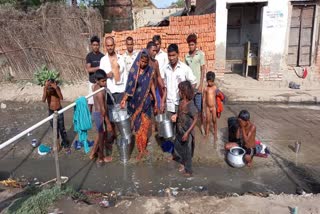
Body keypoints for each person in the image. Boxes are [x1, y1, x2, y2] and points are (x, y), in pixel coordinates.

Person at [120, 50, 157, 160]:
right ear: (138, 60)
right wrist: (124, 100)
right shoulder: (133, 72)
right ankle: (139, 149)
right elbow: (129, 88)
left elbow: (151, 86)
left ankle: (143, 148)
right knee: (137, 127)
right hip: (135, 103)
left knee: (145, 127)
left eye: (146, 62)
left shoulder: (150, 71)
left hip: (146, 103)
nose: (144, 64)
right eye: (142, 61)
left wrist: (156, 100)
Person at [99, 36, 126, 152]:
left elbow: (126, 74)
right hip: (110, 92)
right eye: (108, 46)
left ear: (114, 45)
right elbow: (100, 76)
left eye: (111, 45)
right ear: (106, 46)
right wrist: (107, 75)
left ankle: (123, 136)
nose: (110, 47)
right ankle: (114, 136)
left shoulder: (121, 58)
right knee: (112, 115)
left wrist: (126, 92)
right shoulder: (103, 60)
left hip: (120, 90)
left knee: (122, 115)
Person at [161, 43, 197, 119]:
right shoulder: (165, 69)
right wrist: (162, 102)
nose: (171, 58)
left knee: (180, 128)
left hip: (180, 105)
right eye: (169, 55)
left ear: (178, 54)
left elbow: (194, 83)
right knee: (169, 128)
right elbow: (165, 88)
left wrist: (186, 99)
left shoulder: (184, 68)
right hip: (169, 105)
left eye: (173, 55)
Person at [171, 81, 198, 177]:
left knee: (187, 151)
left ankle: (189, 171)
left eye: (180, 91)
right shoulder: (181, 102)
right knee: (179, 147)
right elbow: (179, 112)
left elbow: (195, 119)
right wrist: (176, 116)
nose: (178, 92)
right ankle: (182, 163)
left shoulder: (190, 105)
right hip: (179, 130)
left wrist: (187, 133)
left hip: (187, 131)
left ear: (184, 92)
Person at [90, 69, 112, 163]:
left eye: (105, 80)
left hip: (96, 114)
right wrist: (108, 123)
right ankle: (101, 158)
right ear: (97, 81)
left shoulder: (95, 86)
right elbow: (103, 109)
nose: (105, 82)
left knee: (100, 135)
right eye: (103, 81)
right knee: (101, 137)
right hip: (100, 115)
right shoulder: (100, 92)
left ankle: (92, 153)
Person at [185, 33, 206, 134]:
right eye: (189, 45)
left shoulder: (200, 54)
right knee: (190, 107)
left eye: (192, 44)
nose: (191, 46)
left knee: (199, 108)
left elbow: (203, 70)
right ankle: (191, 125)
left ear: (195, 44)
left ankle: (201, 125)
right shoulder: (186, 56)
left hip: (198, 87)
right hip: (190, 87)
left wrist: (201, 84)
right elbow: (186, 71)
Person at [42, 79, 69, 152]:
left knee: (62, 129)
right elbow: (43, 100)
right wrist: (45, 88)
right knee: (55, 130)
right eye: (49, 85)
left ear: (55, 84)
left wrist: (56, 88)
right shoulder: (47, 90)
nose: (51, 87)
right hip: (51, 112)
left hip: (59, 110)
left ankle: (66, 144)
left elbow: (61, 98)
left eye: (52, 85)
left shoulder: (57, 89)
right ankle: (58, 145)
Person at [85, 36, 104, 112]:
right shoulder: (89, 56)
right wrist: (98, 68)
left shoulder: (102, 56)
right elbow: (89, 69)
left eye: (97, 45)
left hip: (100, 84)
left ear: (99, 45)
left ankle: (100, 120)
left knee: (100, 103)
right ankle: (89, 121)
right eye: (94, 45)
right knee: (90, 103)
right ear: (91, 45)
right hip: (92, 82)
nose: (95, 47)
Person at [146, 41, 166, 112]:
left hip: (156, 89)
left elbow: (158, 76)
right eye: (153, 51)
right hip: (146, 92)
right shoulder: (144, 62)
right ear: (148, 50)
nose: (155, 53)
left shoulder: (155, 62)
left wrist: (163, 87)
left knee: (157, 109)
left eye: (156, 51)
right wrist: (148, 93)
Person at [202, 71, 218, 141]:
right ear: (207, 80)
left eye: (211, 81)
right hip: (208, 108)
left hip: (214, 107)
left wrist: (218, 107)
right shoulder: (205, 88)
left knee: (214, 120)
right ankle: (207, 134)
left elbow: (218, 97)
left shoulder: (215, 87)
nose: (210, 83)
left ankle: (215, 134)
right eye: (209, 81)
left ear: (213, 81)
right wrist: (203, 109)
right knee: (208, 121)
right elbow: (204, 99)